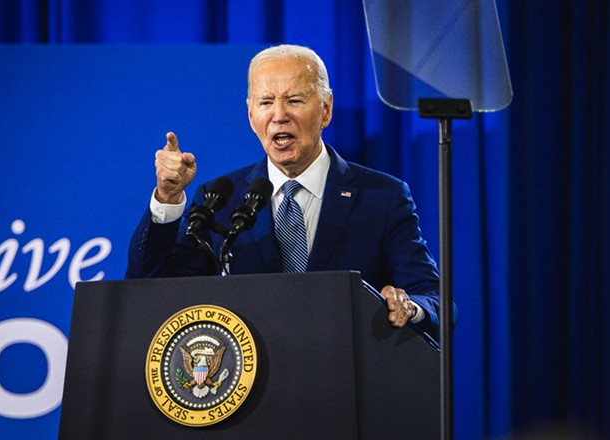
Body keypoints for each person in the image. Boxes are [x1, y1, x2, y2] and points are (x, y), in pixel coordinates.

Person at [126, 44, 456, 339]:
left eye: (294, 100)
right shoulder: (218, 200)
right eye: (266, 102)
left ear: (326, 109)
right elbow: (152, 291)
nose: (279, 115)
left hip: (348, 388)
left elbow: (437, 301)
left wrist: (410, 307)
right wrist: (167, 200)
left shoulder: (382, 197)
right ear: (251, 114)